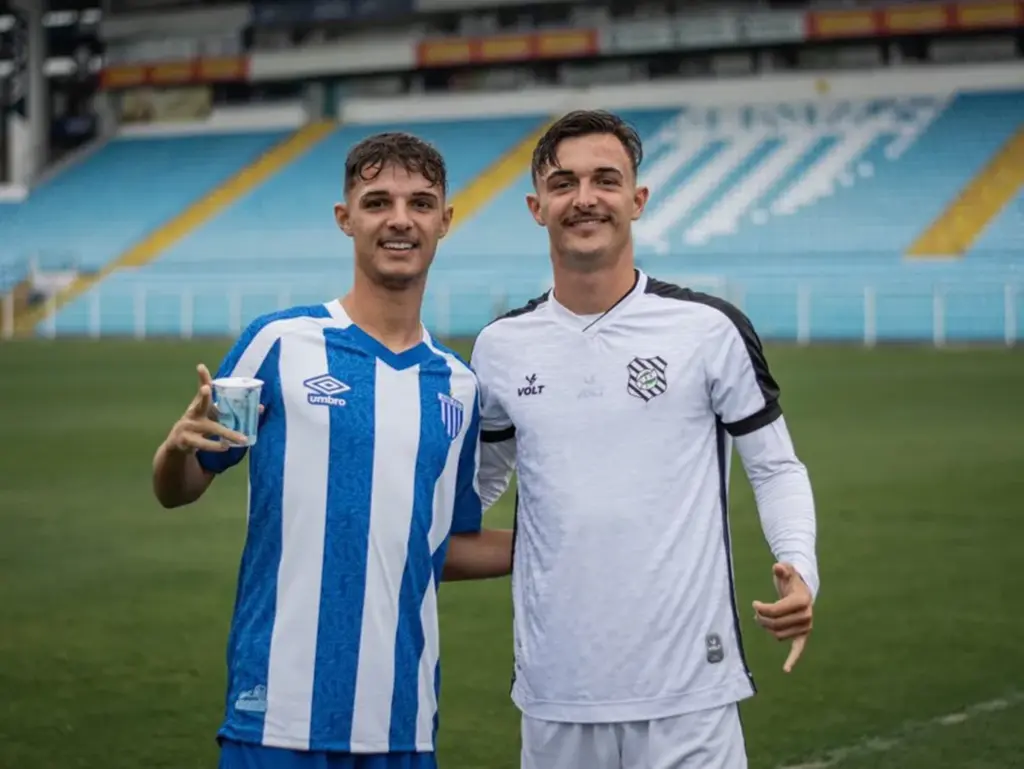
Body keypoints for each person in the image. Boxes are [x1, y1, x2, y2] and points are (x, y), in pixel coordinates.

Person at [470, 110, 820, 769]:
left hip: (691, 694)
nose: (585, 198)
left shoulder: (708, 329)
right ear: (536, 205)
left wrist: (801, 566)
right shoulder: (499, 348)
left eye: (606, 180)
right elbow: (478, 485)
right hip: (555, 694)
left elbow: (775, 468)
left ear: (637, 199)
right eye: (564, 182)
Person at [151, 131, 512, 769]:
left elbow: (442, 544)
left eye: (421, 203)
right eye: (378, 202)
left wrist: (575, 543)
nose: (400, 220)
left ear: (445, 221)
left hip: (402, 722)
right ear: (346, 219)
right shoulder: (278, 345)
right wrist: (178, 450)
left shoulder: (459, 386)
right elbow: (180, 489)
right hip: (276, 715)